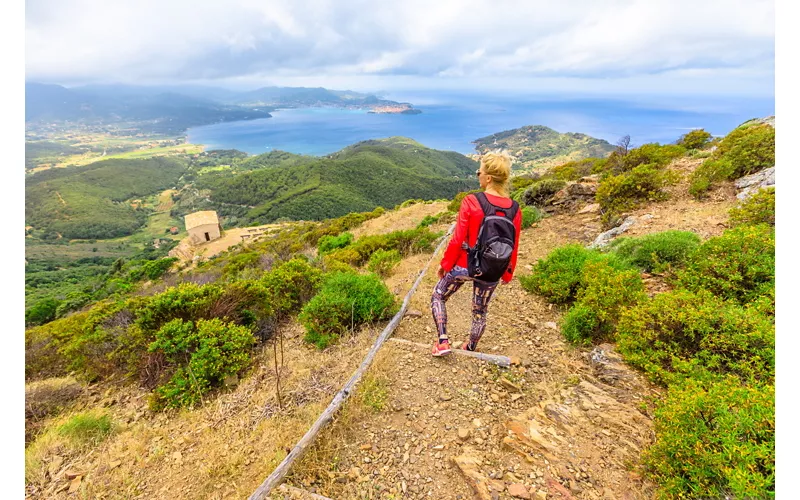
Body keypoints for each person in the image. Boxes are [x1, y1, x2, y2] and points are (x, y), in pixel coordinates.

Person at [431, 152, 522, 356]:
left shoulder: (472, 201)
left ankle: (443, 342)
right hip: (493, 269)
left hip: (465, 265)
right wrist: (508, 272)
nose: (478, 175)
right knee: (479, 311)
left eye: (479, 171)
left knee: (438, 296)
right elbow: (514, 245)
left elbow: (457, 239)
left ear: (488, 177)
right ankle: (470, 347)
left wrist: (445, 265)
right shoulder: (515, 209)